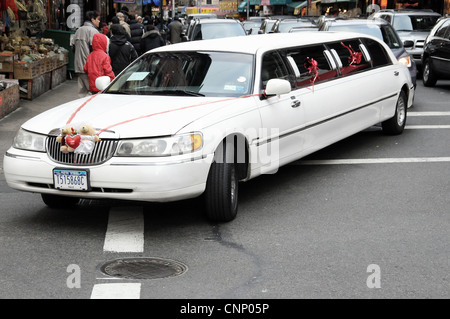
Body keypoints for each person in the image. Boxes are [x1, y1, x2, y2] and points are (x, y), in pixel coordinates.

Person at [72, 11, 100, 98]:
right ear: (92, 19)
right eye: (98, 19)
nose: (99, 21)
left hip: (78, 65)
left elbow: (73, 47)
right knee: (91, 91)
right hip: (88, 66)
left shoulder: (78, 30)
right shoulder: (93, 31)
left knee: (81, 91)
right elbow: (95, 50)